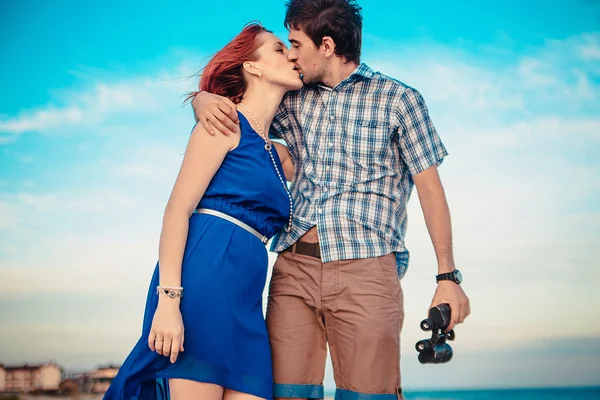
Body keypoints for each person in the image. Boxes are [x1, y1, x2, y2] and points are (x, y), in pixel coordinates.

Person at [193, 1, 471, 399]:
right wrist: (200, 100)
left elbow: (431, 190)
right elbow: (236, 116)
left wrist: (448, 278)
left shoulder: (399, 99)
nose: (289, 54)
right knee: (286, 394)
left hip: (368, 270)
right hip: (294, 270)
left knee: (369, 394)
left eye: (295, 43)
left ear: (326, 45)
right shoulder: (293, 97)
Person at [104, 23, 302, 400]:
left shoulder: (279, 154)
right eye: (279, 49)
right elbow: (177, 210)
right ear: (253, 67)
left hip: (247, 299)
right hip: (201, 284)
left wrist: (201, 97)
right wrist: (168, 302)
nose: (291, 55)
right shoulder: (223, 125)